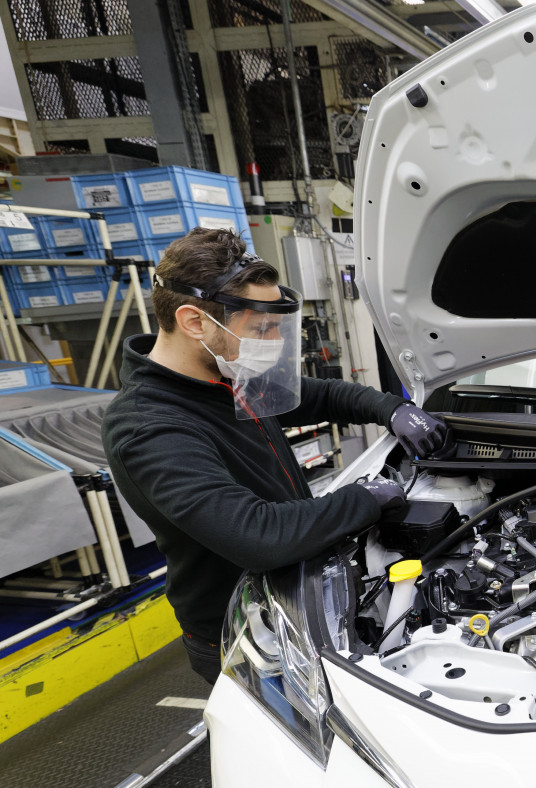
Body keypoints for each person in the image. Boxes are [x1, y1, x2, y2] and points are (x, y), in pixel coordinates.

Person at [103, 228, 452, 684]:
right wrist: (367, 497)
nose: (272, 341)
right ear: (194, 322)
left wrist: (393, 409)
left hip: (300, 593)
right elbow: (259, 536)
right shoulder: (149, 428)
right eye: (261, 328)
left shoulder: (226, 375)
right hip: (249, 633)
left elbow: (322, 394)